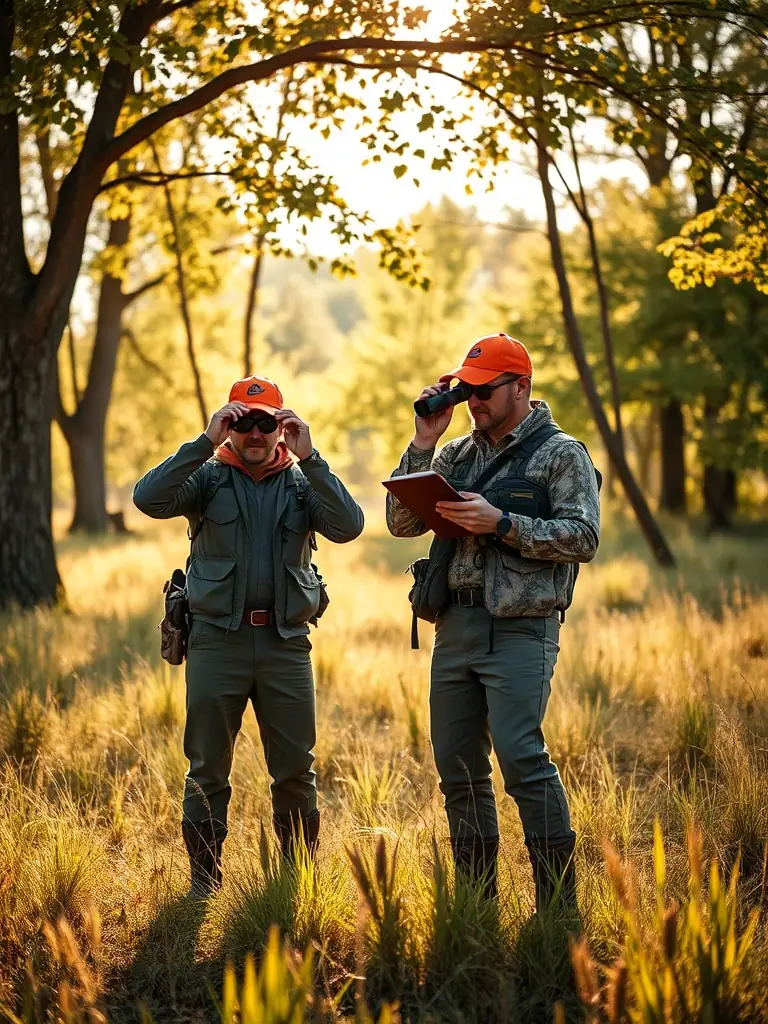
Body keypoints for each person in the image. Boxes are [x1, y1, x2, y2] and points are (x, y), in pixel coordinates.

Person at [386, 333, 600, 911]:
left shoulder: (562, 454)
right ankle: (475, 904)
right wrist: (424, 441)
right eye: (466, 391)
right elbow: (401, 523)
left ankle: (558, 909)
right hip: (455, 625)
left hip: (521, 629)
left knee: (522, 757)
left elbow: (584, 537)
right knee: (456, 764)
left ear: (521, 386)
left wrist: (502, 523)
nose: (473, 401)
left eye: (483, 390)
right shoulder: (454, 454)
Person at [134, 376, 364, 897]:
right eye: (244, 422)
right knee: (207, 767)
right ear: (230, 427)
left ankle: (296, 880)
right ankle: (204, 883)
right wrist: (203, 441)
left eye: (267, 423)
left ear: (283, 428)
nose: (255, 434)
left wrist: (313, 457)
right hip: (218, 641)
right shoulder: (209, 478)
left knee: (295, 771)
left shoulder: (301, 483)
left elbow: (349, 526)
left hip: (285, 644)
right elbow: (148, 498)